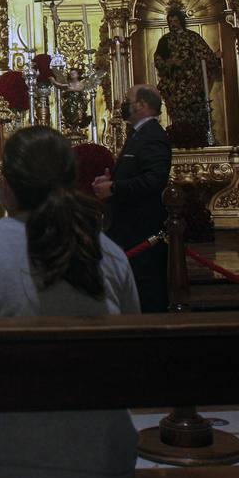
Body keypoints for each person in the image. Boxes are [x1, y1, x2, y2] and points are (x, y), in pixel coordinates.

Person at [0, 126, 139, 478]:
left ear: (6, 185)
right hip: (102, 470)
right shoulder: (108, 256)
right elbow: (132, 360)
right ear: (69, 180)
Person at [92, 85, 172, 312]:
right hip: (129, 227)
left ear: (142, 105)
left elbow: (155, 179)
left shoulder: (153, 136)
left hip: (142, 229)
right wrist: (110, 180)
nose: (124, 104)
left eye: (128, 100)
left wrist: (115, 188)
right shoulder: (138, 135)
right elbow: (136, 172)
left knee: (147, 292)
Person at [151, 1, 220, 148]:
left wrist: (215, 57)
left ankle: (198, 137)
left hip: (193, 87)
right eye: (170, 22)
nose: (173, 24)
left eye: (175, 21)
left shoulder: (193, 37)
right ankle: (180, 136)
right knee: (179, 116)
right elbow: (158, 60)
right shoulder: (165, 40)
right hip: (174, 88)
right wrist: (170, 63)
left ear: (181, 21)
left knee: (195, 116)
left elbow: (206, 56)